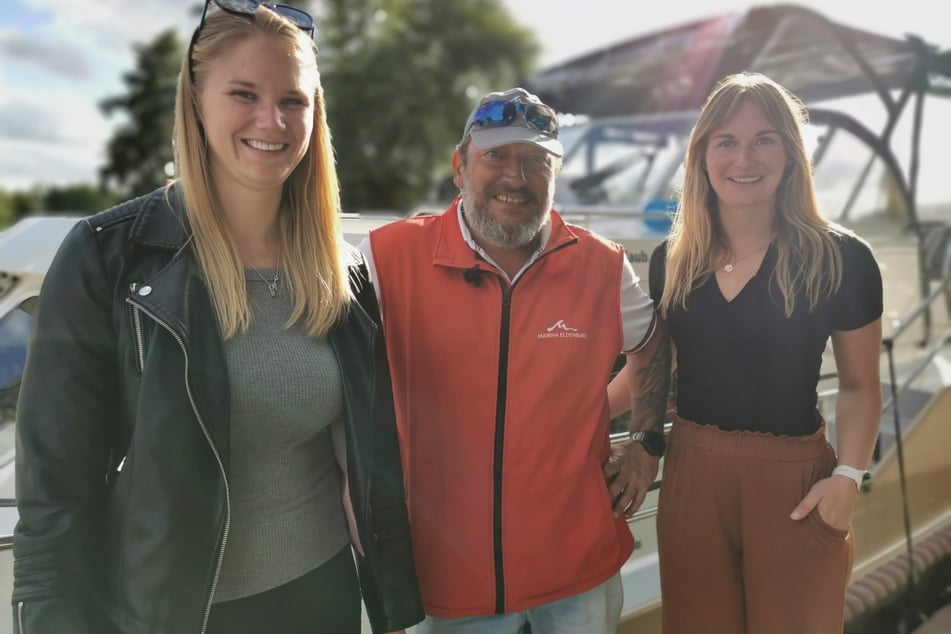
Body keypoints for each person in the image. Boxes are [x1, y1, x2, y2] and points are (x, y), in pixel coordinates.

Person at [11, 2, 423, 633]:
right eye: (243, 93)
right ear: (196, 101)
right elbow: (55, 496)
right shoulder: (108, 256)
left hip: (323, 597)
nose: (272, 120)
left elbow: (365, 458)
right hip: (179, 614)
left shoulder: (343, 271)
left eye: (294, 100)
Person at [358, 87, 670, 634]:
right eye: (495, 155)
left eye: (535, 160)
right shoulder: (384, 258)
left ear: (556, 174)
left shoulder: (602, 264)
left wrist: (645, 444)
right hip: (446, 582)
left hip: (580, 571)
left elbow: (653, 345)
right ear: (460, 167)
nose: (515, 176)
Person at [640, 72, 883, 634]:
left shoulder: (842, 259)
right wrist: (557, 422)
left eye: (764, 139)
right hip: (691, 477)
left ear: (791, 154)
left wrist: (848, 477)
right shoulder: (671, 259)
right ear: (701, 155)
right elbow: (652, 368)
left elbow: (859, 385)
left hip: (795, 485)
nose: (742, 157)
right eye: (725, 141)